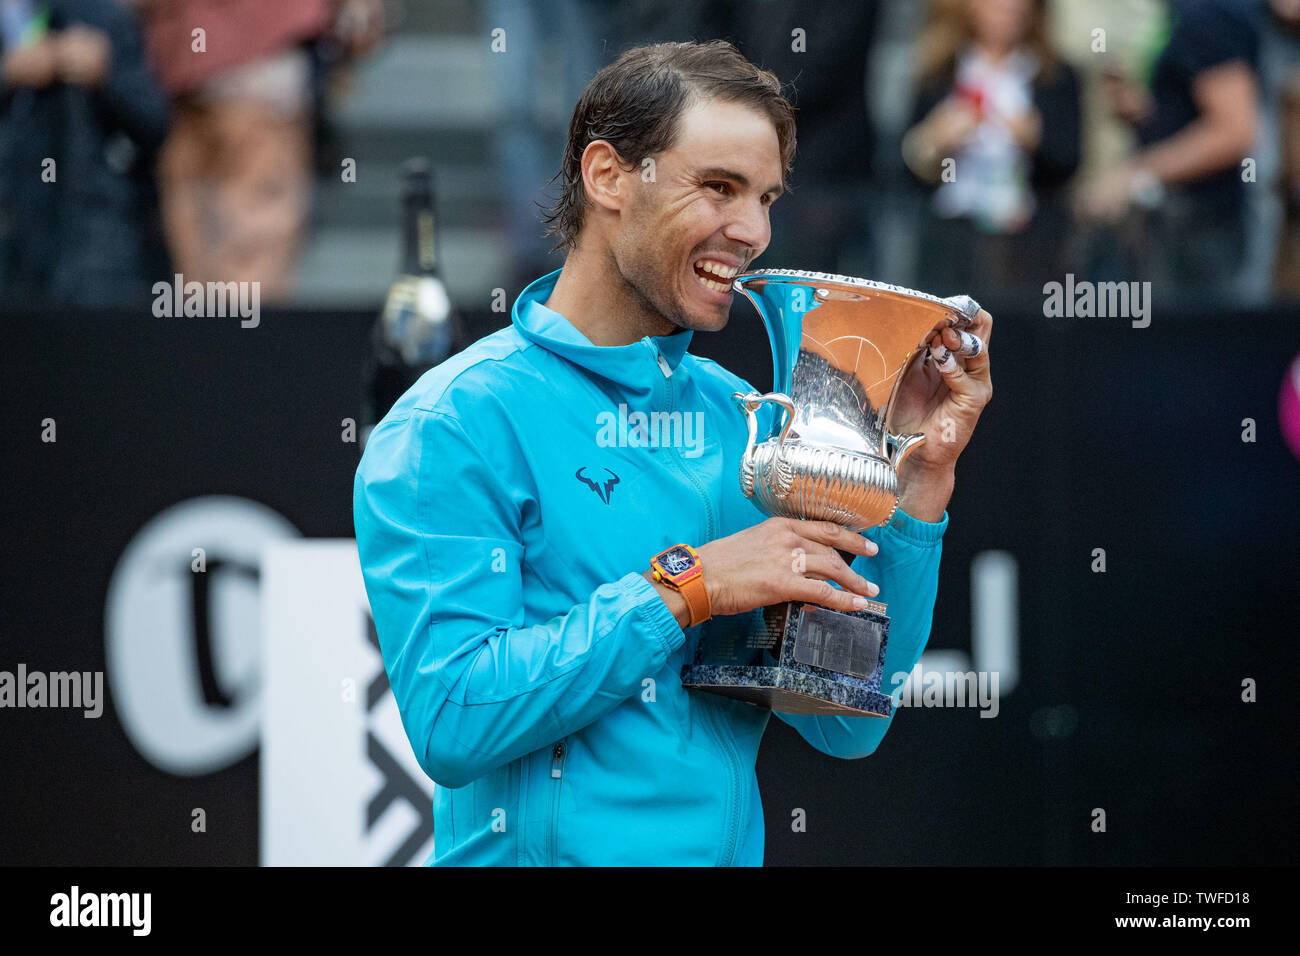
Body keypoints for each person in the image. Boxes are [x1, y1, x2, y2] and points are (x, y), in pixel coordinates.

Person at [353, 40, 994, 866]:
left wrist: (920, 482)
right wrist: (690, 587)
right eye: (719, 188)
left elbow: (842, 721)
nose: (754, 231)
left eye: (765, 197)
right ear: (608, 176)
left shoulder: (746, 419)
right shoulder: (452, 422)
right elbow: (452, 718)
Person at [901, 0, 1081, 296]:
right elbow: (904, 167)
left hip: (1027, 244)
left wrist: (1036, 139)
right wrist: (936, 140)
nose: (1009, 8)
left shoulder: (1054, 75)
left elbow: (1068, 163)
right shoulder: (939, 70)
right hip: (948, 239)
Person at [0, 0, 169, 305]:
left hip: (90, 237)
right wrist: (8, 73)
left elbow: (155, 124)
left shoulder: (97, 17)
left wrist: (107, 77)